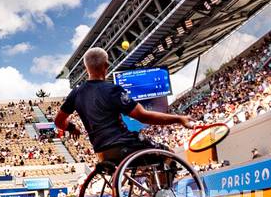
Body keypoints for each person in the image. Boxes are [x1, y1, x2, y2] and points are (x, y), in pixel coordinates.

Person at [54, 47, 198, 173]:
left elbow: (59, 121)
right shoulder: (113, 90)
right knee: (168, 154)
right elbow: (143, 116)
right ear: (106, 66)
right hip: (125, 146)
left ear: (87, 68)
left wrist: (72, 127)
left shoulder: (76, 93)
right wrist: (179, 119)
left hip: (102, 153)